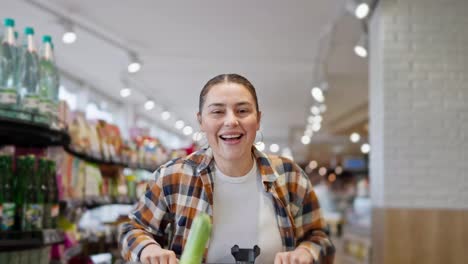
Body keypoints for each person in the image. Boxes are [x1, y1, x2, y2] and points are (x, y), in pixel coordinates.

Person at [119, 74, 335, 264]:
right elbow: (133, 230)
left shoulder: (289, 176)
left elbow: (319, 238)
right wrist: (149, 248)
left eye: (242, 111)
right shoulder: (173, 177)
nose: (231, 121)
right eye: (217, 112)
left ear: (258, 119)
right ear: (201, 121)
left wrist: (307, 252)